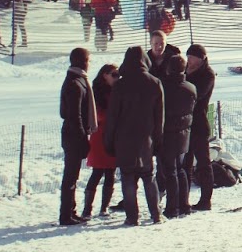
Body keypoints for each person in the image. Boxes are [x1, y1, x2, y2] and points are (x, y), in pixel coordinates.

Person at [104, 46, 164, 226]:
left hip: (124, 139)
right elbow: (159, 117)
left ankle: (132, 217)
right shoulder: (155, 83)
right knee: (149, 176)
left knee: (128, 178)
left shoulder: (120, 85)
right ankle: (156, 214)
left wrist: (109, 141)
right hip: (146, 138)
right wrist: (157, 141)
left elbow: (112, 116)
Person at [58, 47, 96, 227]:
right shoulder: (75, 83)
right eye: (88, 60)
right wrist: (83, 138)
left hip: (73, 133)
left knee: (72, 176)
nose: (89, 64)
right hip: (73, 135)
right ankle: (66, 214)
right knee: (70, 177)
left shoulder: (78, 79)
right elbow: (74, 115)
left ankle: (70, 211)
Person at [158, 53, 197, 219]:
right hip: (184, 133)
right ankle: (184, 203)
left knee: (170, 171)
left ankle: (172, 207)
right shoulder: (190, 88)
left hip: (168, 133)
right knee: (181, 169)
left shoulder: (164, 87)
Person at [82, 62, 118, 219]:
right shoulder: (96, 92)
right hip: (99, 136)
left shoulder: (116, 91)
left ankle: (104, 207)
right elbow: (97, 115)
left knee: (110, 172)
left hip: (112, 136)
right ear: (105, 75)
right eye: (114, 74)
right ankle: (87, 208)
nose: (117, 78)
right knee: (97, 172)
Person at [184, 43, 217, 210]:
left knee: (203, 163)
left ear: (201, 58)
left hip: (199, 123)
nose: (189, 60)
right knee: (186, 163)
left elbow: (197, 94)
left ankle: (206, 200)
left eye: (192, 57)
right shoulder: (184, 71)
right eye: (188, 57)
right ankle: (183, 198)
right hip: (185, 123)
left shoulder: (207, 75)